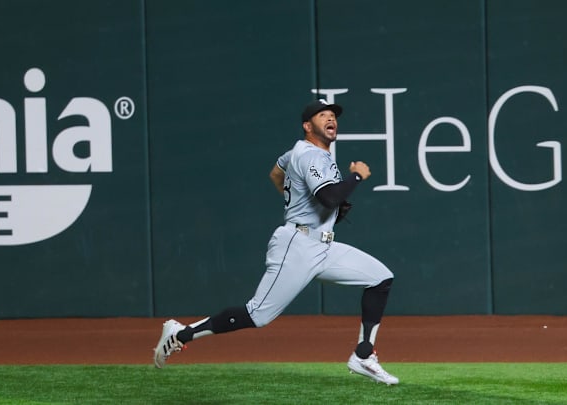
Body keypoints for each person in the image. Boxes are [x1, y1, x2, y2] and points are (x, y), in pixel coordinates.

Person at [153, 99, 398, 385]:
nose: (331, 119)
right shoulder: (309, 155)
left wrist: (298, 202)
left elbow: (276, 173)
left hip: (323, 245)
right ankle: (181, 334)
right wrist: (356, 175)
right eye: (323, 116)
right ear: (308, 126)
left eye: (333, 116)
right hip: (298, 245)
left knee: (380, 278)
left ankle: (364, 355)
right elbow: (329, 197)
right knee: (258, 314)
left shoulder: (303, 153)